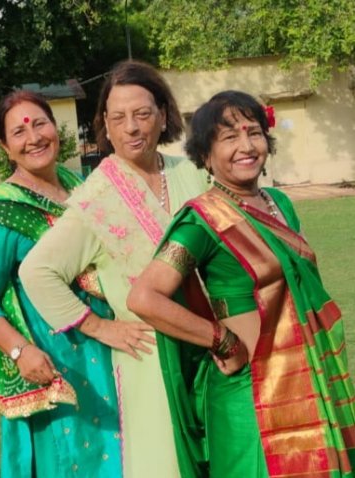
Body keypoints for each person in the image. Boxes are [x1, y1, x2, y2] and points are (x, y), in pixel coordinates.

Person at [127, 90, 355, 477]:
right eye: (229, 137)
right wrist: (221, 340)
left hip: (305, 379)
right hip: (248, 396)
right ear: (205, 154)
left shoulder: (280, 204)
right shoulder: (201, 221)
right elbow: (144, 297)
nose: (246, 147)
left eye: (254, 133)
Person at [18, 60, 207, 478]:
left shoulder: (193, 173)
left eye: (142, 114)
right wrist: (99, 327)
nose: (132, 128)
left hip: (212, 346)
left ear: (163, 115)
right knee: (167, 465)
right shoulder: (97, 198)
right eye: (118, 118)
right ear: (105, 124)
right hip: (150, 357)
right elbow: (37, 272)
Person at [0, 90, 135, 478]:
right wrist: (20, 351)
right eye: (19, 132)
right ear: (5, 148)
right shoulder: (2, 213)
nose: (34, 138)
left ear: (56, 129)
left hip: (109, 345)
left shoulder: (80, 186)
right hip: (56, 361)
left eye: (40, 124)